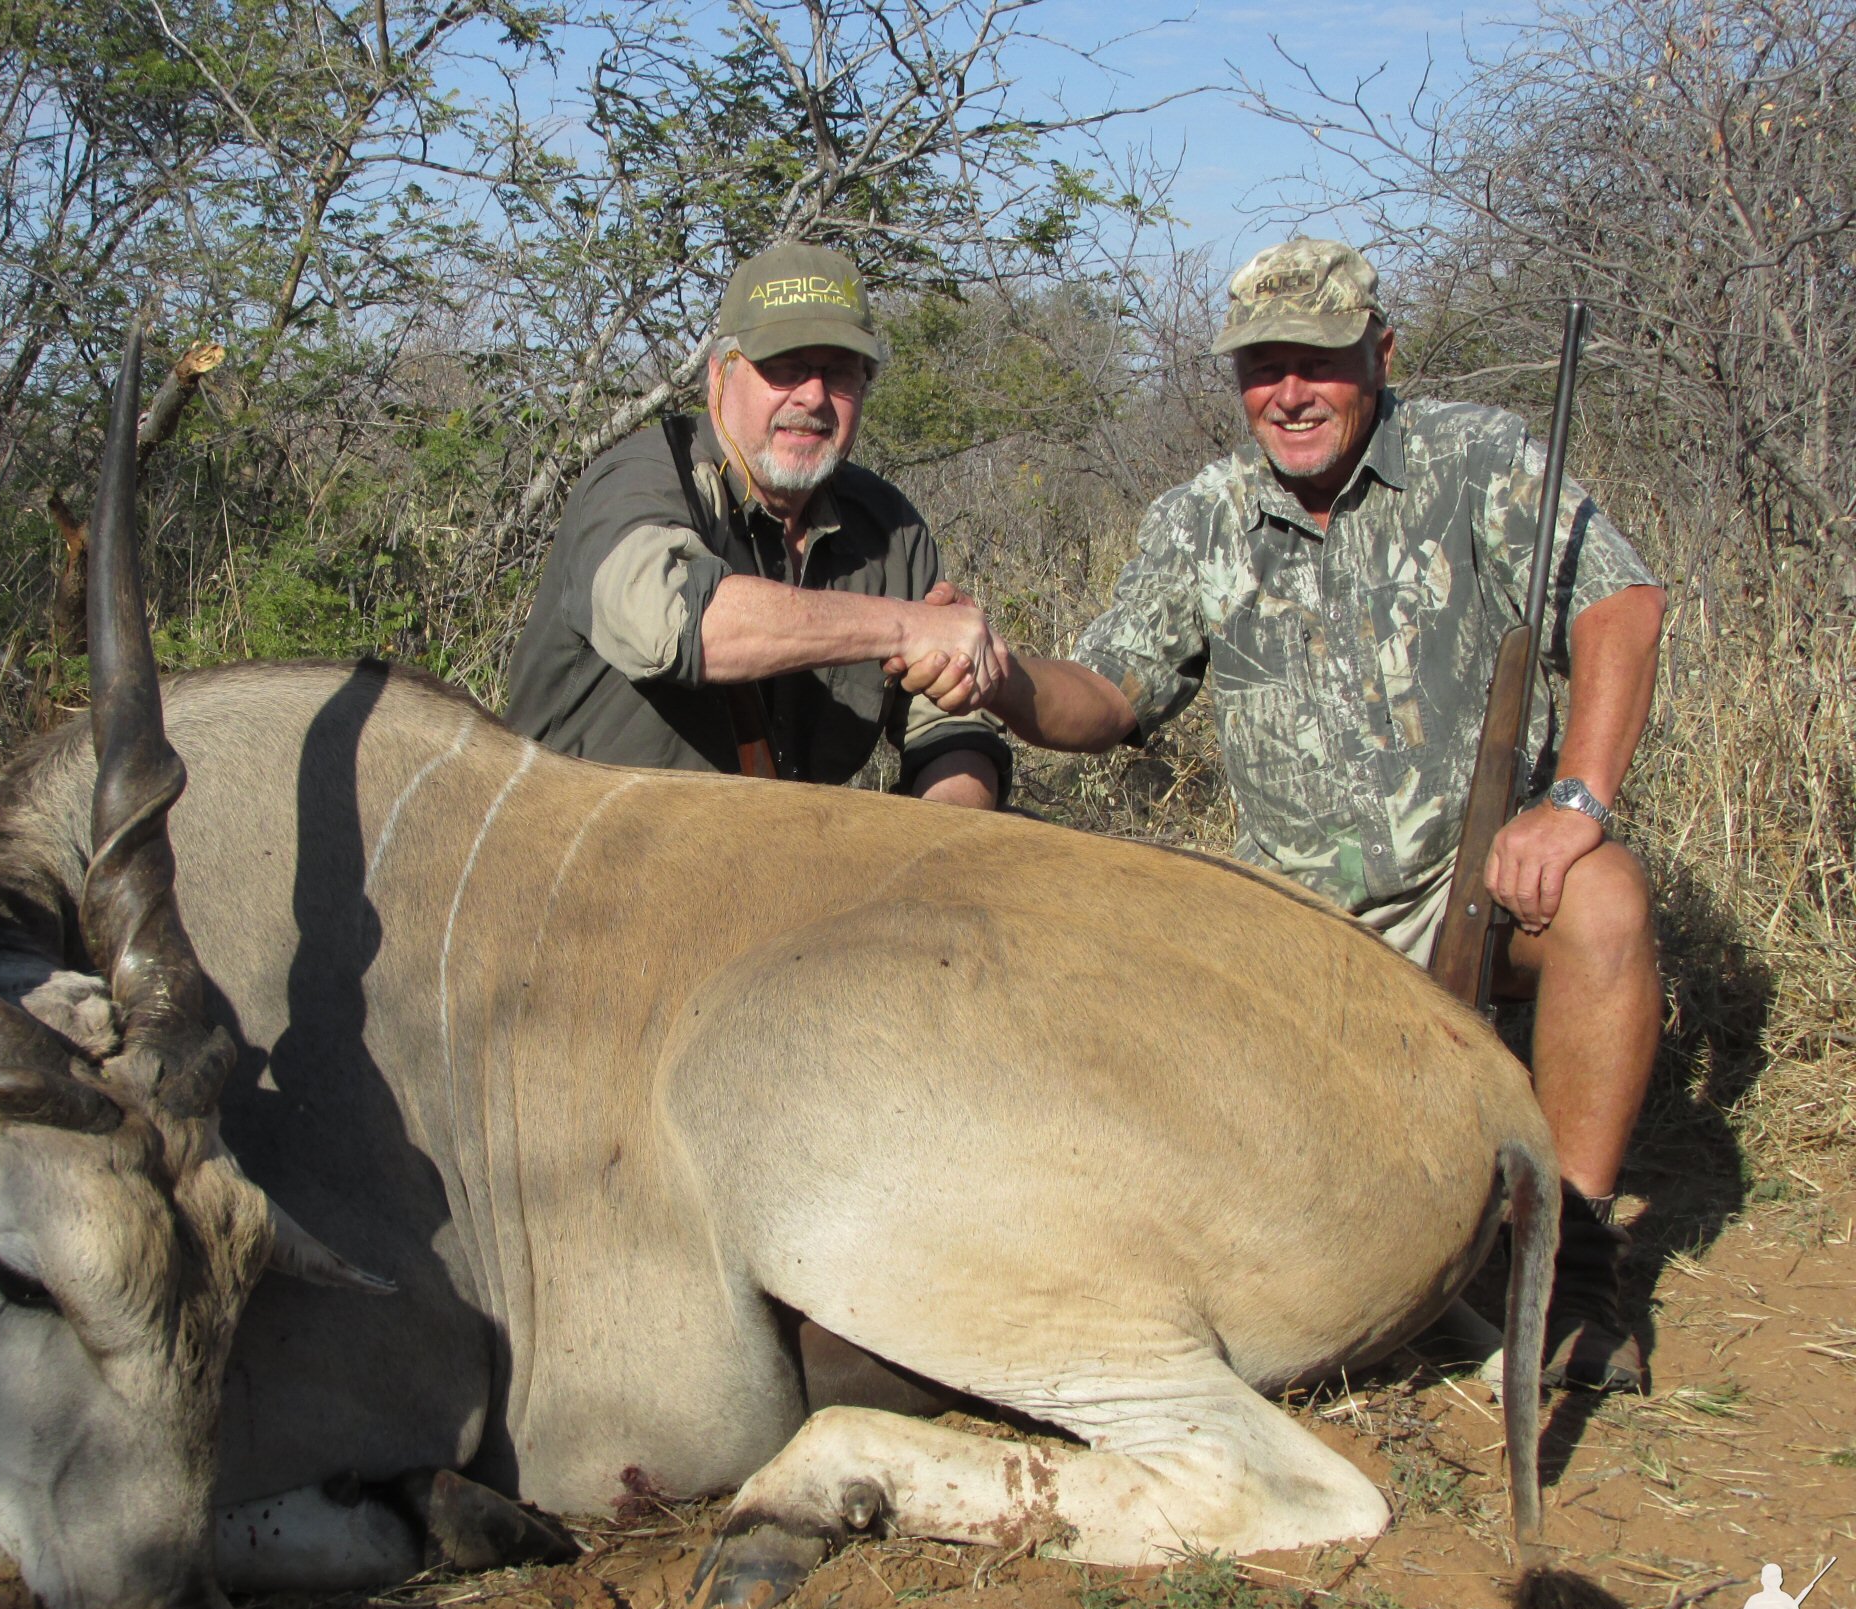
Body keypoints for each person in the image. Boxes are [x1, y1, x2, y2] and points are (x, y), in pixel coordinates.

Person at [917, 237, 1665, 1393]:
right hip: (1294, 934)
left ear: (1380, 350)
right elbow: (1113, 695)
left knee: (1604, 899)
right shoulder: (1200, 518)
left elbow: (1619, 607)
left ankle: (1567, 1265)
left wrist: (1572, 804)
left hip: (1472, 891)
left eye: (1318, 359)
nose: (1290, 392)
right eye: (1262, 366)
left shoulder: (1479, 461)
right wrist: (1007, 681)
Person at [503, 241, 1010, 806]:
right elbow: (673, 621)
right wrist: (904, 626)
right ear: (720, 374)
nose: (814, 397)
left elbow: (952, 730)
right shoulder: (640, 481)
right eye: (785, 367)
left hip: (778, 873)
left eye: (840, 373)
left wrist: (939, 852)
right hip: (576, 853)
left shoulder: (889, 529)